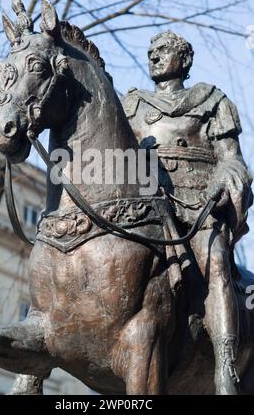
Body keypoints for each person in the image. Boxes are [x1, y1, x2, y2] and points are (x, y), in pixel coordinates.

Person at [122, 30, 253, 394]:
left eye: (163, 50)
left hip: (197, 202)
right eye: (150, 51)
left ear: (185, 59)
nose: (154, 56)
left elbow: (233, 161)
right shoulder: (132, 104)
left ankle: (225, 364)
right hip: (147, 202)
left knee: (215, 266)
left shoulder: (211, 100)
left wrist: (220, 183)